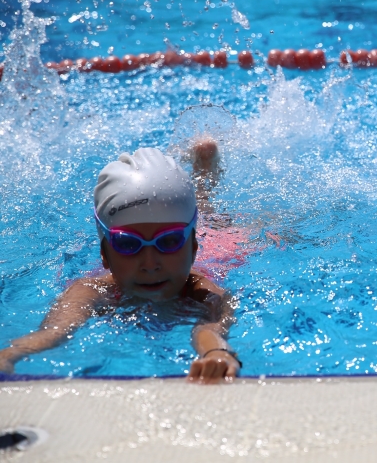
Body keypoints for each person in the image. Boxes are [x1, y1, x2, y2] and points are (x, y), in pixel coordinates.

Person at [0, 140, 242, 383]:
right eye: (128, 244)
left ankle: (204, 175)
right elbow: (54, 332)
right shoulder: (90, 291)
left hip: (217, 251)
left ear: (193, 248)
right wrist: (10, 354)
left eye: (168, 242)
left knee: (210, 217)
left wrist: (217, 353)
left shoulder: (202, 291)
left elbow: (210, 328)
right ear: (104, 254)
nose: (150, 263)